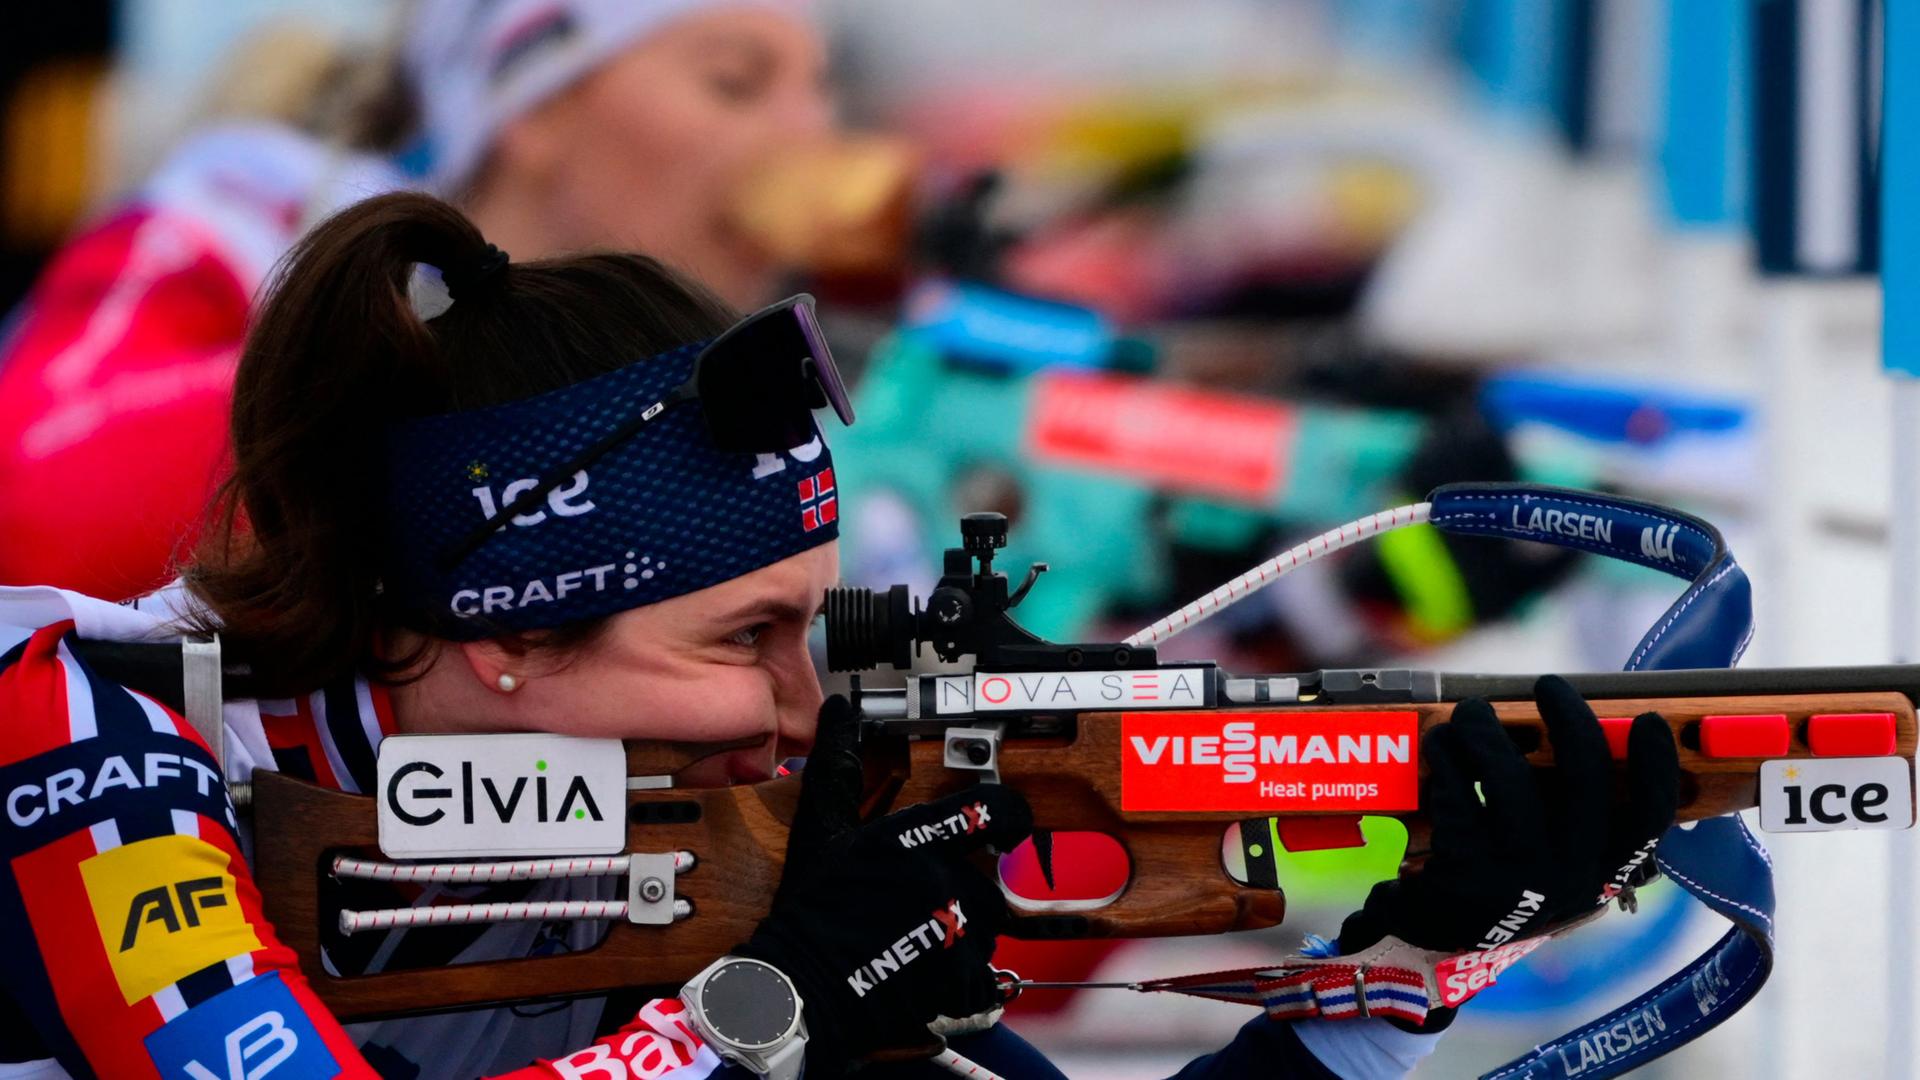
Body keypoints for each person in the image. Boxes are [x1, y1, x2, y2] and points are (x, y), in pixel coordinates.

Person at [0, 190, 1677, 1079]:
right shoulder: (82, 731)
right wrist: (771, 1007)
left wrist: (1396, 974)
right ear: (493, 630)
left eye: (815, 633)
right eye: (744, 640)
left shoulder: (656, 849)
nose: (804, 711)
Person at [0, 0, 838, 600]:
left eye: (818, 89)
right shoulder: (243, 221)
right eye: (735, 84)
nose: (812, 140)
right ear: (536, 106)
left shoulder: (817, 368)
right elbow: (38, 506)